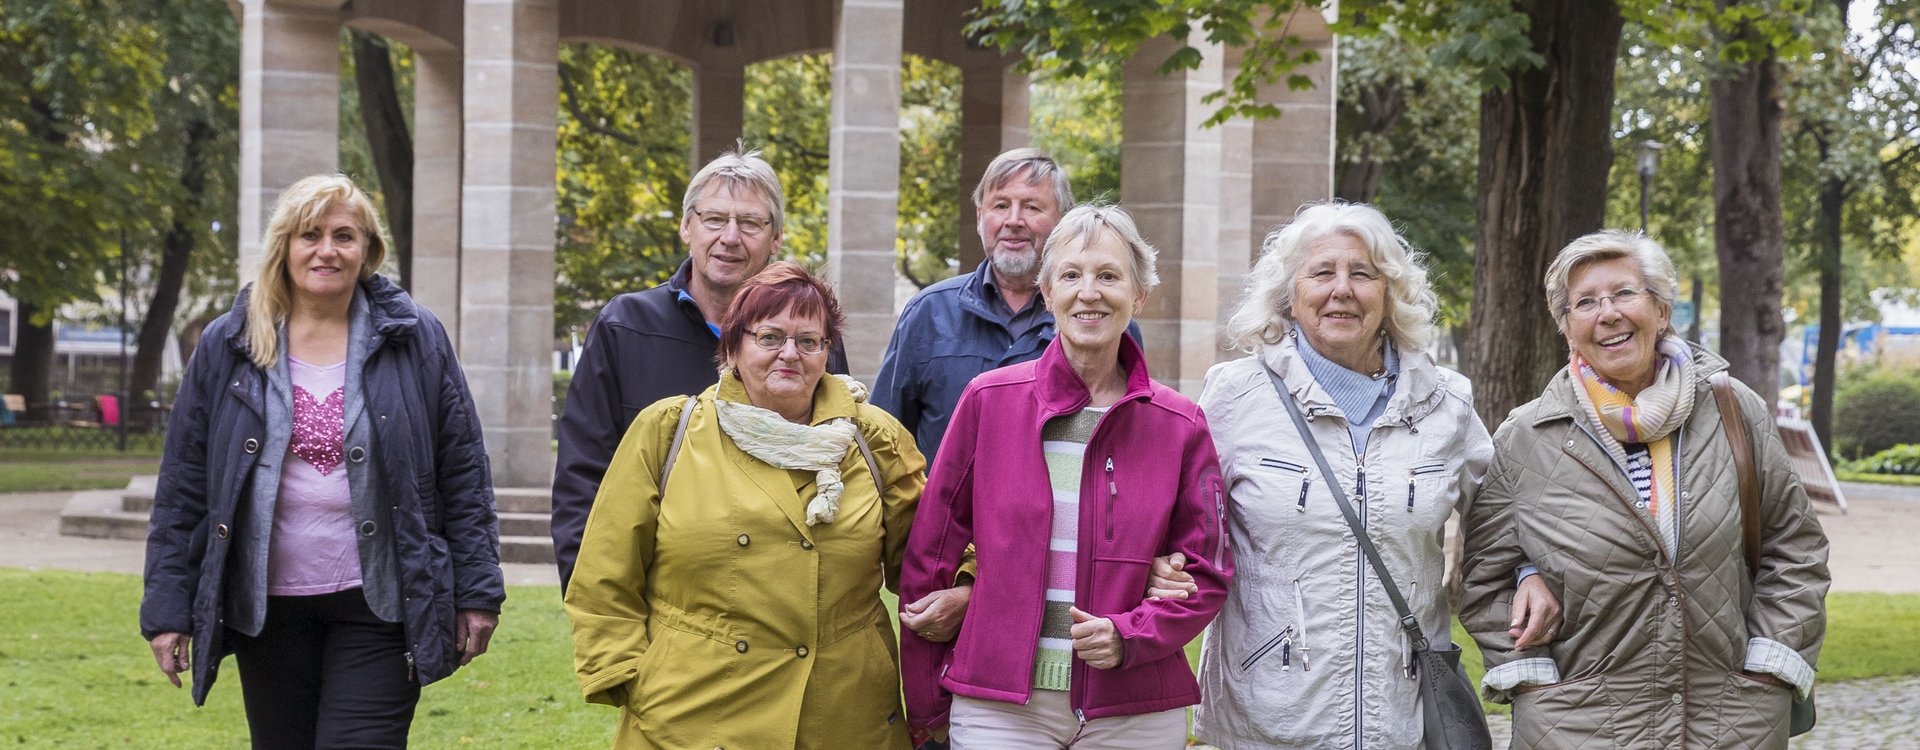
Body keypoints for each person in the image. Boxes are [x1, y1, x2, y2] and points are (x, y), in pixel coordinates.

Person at [141, 174, 504, 748]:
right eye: (310, 235)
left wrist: (478, 592)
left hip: (383, 602)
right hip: (267, 609)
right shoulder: (229, 342)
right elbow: (184, 484)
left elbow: (463, 469)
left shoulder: (414, 337)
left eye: (344, 236)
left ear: (368, 250)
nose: (327, 251)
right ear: (284, 245)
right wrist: (167, 607)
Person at [1187, 201, 1559, 748]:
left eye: (1362, 274)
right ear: (1290, 295)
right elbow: (1183, 521)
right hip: (1269, 714)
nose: (1342, 289)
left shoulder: (1445, 402)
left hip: (1404, 709)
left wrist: (1528, 571)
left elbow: (1503, 514)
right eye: (1321, 273)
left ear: (1388, 294)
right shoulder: (1236, 395)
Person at [1459, 230, 1830, 749]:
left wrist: (1772, 667)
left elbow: (1795, 547)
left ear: (1660, 309)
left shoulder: (1734, 410)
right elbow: (1483, 578)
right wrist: (1534, 680)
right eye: (1584, 303)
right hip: (1579, 729)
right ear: (1567, 328)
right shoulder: (1527, 436)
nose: (1606, 313)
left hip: (1729, 724)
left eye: (1624, 293)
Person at [900, 205, 1230, 749]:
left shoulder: (1180, 423)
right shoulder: (990, 400)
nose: (1089, 292)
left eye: (1109, 276)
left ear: (1139, 296)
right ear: (1047, 293)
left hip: (1134, 710)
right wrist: (927, 699)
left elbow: (1208, 570)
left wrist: (1131, 636)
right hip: (1000, 708)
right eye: (1071, 275)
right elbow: (929, 559)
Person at [565, 262, 927, 749]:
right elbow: (604, 575)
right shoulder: (669, 431)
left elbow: (929, 561)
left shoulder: (874, 438)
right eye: (770, 337)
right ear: (733, 346)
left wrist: (964, 585)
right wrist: (633, 679)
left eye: (809, 341)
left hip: (841, 716)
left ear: (826, 353)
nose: (790, 355)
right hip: (693, 715)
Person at [551, 146, 850, 591]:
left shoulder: (809, 338)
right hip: (661, 601)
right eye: (714, 219)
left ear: (776, 238)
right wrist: (592, 602)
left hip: (781, 599)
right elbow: (583, 478)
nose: (730, 237)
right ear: (686, 226)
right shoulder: (626, 327)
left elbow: (838, 453)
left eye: (750, 223)